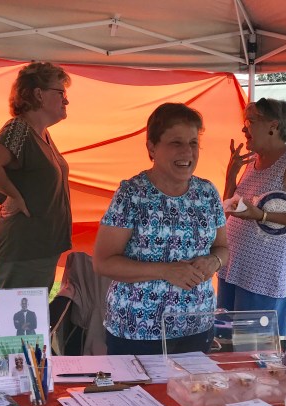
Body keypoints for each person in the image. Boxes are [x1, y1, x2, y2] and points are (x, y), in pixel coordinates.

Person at [93, 103, 228, 355]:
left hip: (197, 325)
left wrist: (215, 261)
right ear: (152, 147)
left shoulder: (207, 192)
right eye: (176, 142)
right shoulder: (132, 194)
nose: (187, 151)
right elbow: (103, 262)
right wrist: (165, 271)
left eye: (193, 143)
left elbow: (223, 248)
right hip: (137, 329)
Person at [217, 98, 286, 337]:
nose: (244, 128)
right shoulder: (252, 161)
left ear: (273, 126)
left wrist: (263, 215)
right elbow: (228, 211)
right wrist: (231, 176)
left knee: (253, 350)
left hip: (262, 278)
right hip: (233, 268)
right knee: (226, 346)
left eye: (250, 121)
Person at [0, 62, 72, 291]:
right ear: (39, 94)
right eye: (61, 93)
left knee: (31, 314)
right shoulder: (19, 130)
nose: (66, 101)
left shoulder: (41, 134)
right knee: (18, 315)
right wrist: (14, 195)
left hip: (39, 248)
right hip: (23, 250)